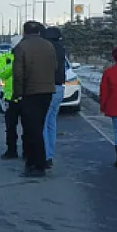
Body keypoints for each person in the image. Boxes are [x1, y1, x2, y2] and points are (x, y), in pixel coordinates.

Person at [13, 21, 57, 177]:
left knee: (32, 129)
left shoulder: (21, 47)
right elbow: (55, 67)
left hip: (30, 92)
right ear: (39, 31)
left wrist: (18, 94)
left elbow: (18, 74)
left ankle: (37, 164)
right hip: (47, 91)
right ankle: (36, 162)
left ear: (24, 32)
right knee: (39, 125)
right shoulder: (49, 46)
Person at [40, 26, 67, 169]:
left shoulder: (46, 49)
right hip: (59, 88)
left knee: (43, 123)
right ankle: (50, 154)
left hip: (47, 88)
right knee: (51, 123)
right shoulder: (61, 48)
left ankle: (44, 155)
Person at [0, 41, 21, 159]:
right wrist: (14, 65)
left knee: (29, 127)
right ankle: (11, 150)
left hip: (26, 97)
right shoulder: (5, 58)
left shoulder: (29, 57)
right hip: (11, 99)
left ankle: (28, 151)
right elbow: (0, 73)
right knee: (10, 127)